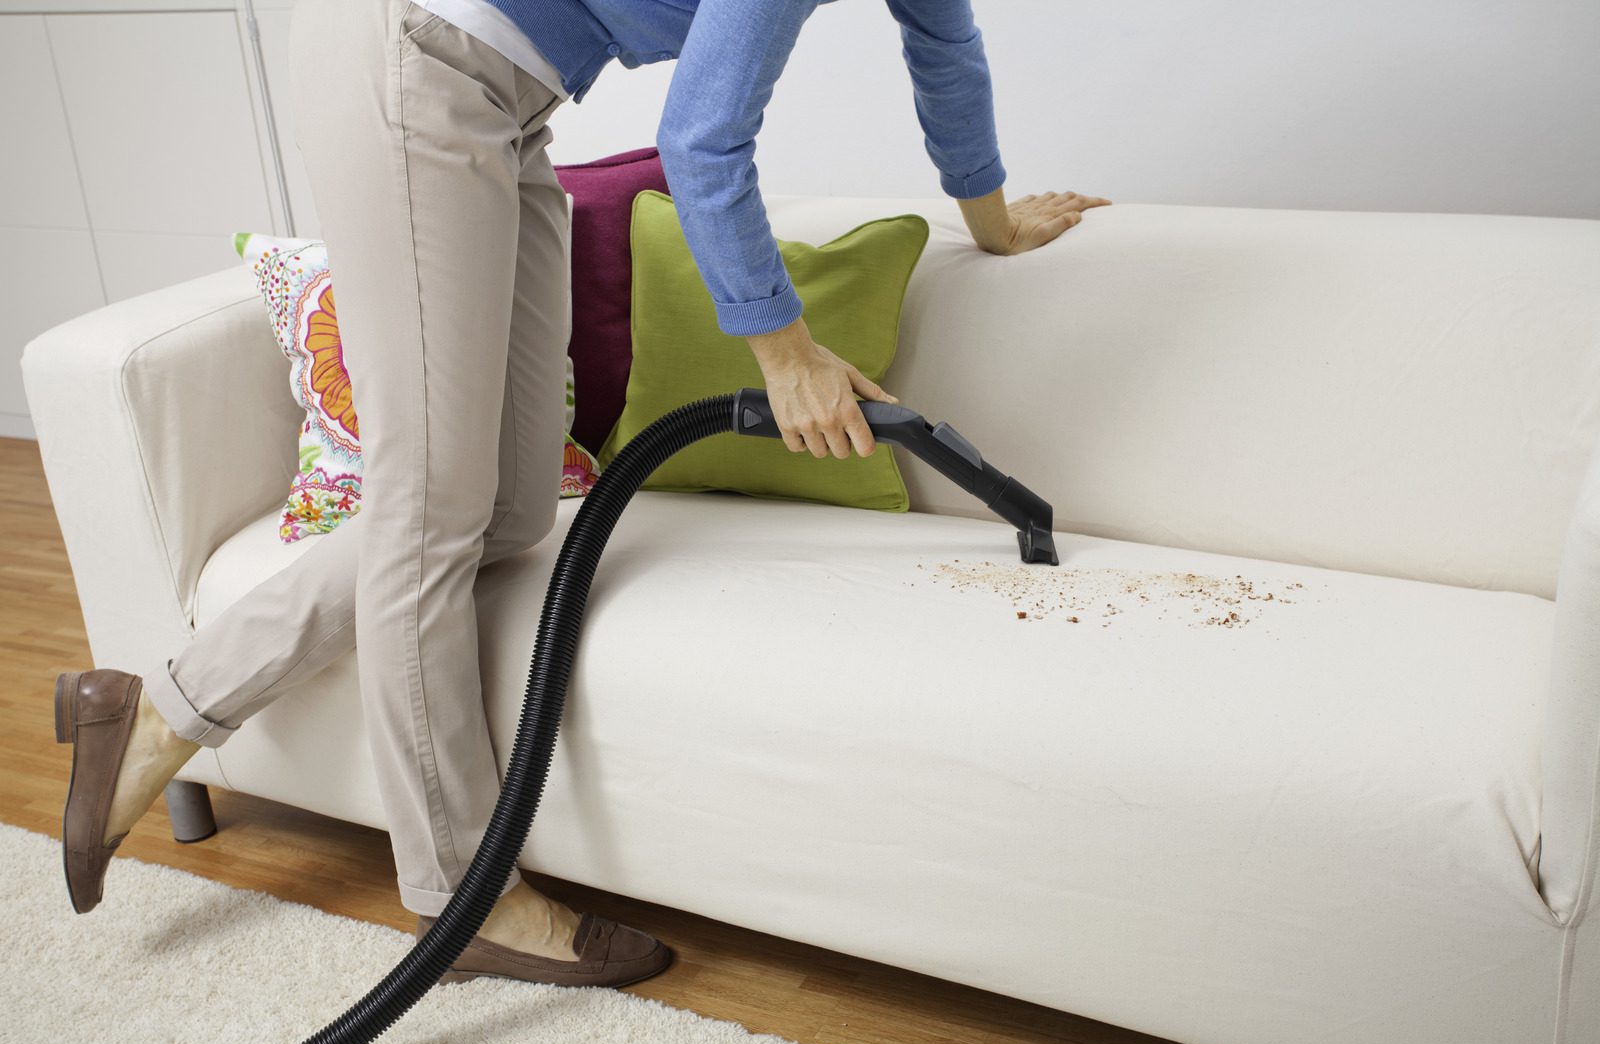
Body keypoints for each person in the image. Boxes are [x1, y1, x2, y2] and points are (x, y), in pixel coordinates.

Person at [53, 0, 1109, 988]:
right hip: (416, 48)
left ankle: (158, 709)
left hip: (505, 96)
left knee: (509, 508)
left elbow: (946, 51)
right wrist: (784, 353)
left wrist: (994, 221)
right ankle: (463, 895)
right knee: (430, 510)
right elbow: (703, 144)